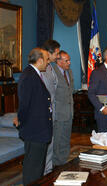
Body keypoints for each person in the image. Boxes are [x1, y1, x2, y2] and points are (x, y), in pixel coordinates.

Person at [17, 48, 52, 185]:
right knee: (33, 169)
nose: (49, 62)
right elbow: (24, 105)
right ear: (39, 60)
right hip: (34, 130)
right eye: (47, 59)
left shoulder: (34, 74)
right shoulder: (29, 76)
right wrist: (23, 124)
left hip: (39, 130)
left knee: (38, 168)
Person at [41, 39, 60, 174]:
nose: (58, 56)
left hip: (52, 111)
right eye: (57, 53)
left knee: (51, 143)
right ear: (49, 52)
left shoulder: (51, 67)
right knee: (45, 144)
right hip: (43, 112)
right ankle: (43, 172)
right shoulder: (41, 69)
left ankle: (48, 170)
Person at [52, 50, 74, 166]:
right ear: (58, 61)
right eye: (66, 61)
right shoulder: (52, 72)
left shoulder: (69, 72)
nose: (69, 63)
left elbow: (70, 91)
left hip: (69, 112)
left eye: (69, 60)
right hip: (58, 113)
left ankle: (64, 162)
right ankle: (56, 164)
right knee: (57, 140)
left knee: (66, 139)